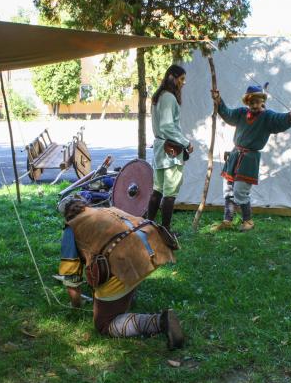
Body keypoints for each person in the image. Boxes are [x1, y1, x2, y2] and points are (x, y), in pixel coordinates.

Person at [56, 198, 184, 350]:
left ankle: (160, 321)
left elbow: (71, 276)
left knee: (104, 324)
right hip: (155, 246)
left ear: (65, 215)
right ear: (85, 205)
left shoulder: (72, 227)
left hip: (126, 260)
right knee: (120, 262)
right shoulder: (106, 209)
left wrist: (75, 305)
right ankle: (127, 295)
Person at [211, 85, 291, 232]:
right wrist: (218, 100)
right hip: (234, 156)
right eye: (251, 103)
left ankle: (248, 221)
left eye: (257, 102)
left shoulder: (267, 116)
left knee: (240, 191)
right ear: (247, 102)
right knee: (228, 189)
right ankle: (228, 220)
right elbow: (228, 114)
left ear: (262, 101)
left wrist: (290, 116)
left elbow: (280, 120)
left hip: (249, 160)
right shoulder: (241, 113)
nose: (254, 105)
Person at [147, 65, 193, 233]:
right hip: (169, 150)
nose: (183, 83)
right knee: (169, 191)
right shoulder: (168, 98)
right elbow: (167, 127)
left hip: (162, 149)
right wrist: (186, 143)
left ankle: (147, 225)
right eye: (181, 79)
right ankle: (165, 230)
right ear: (172, 77)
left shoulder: (159, 96)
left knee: (158, 190)